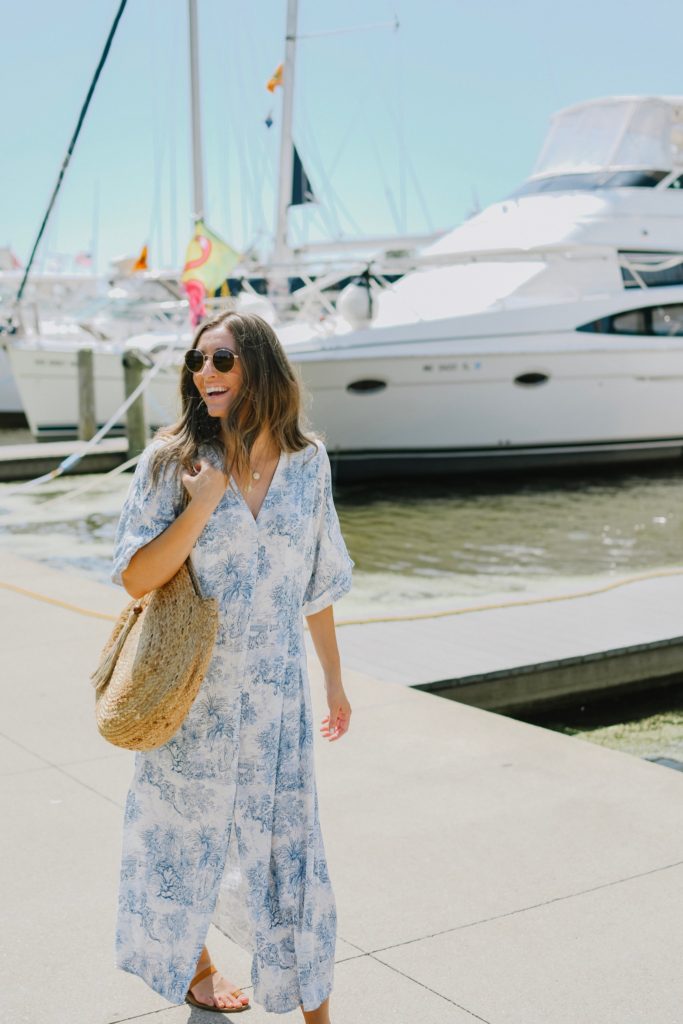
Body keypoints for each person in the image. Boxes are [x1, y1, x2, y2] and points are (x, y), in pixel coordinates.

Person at [111, 310, 354, 1019]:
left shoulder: (309, 463)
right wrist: (201, 505)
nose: (203, 374)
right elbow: (135, 577)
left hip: (278, 700)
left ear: (259, 367)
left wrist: (334, 679)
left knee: (290, 859)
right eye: (195, 361)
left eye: (220, 361)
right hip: (188, 697)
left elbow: (320, 581)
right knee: (178, 841)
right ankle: (199, 966)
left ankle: (315, 1013)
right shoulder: (172, 460)